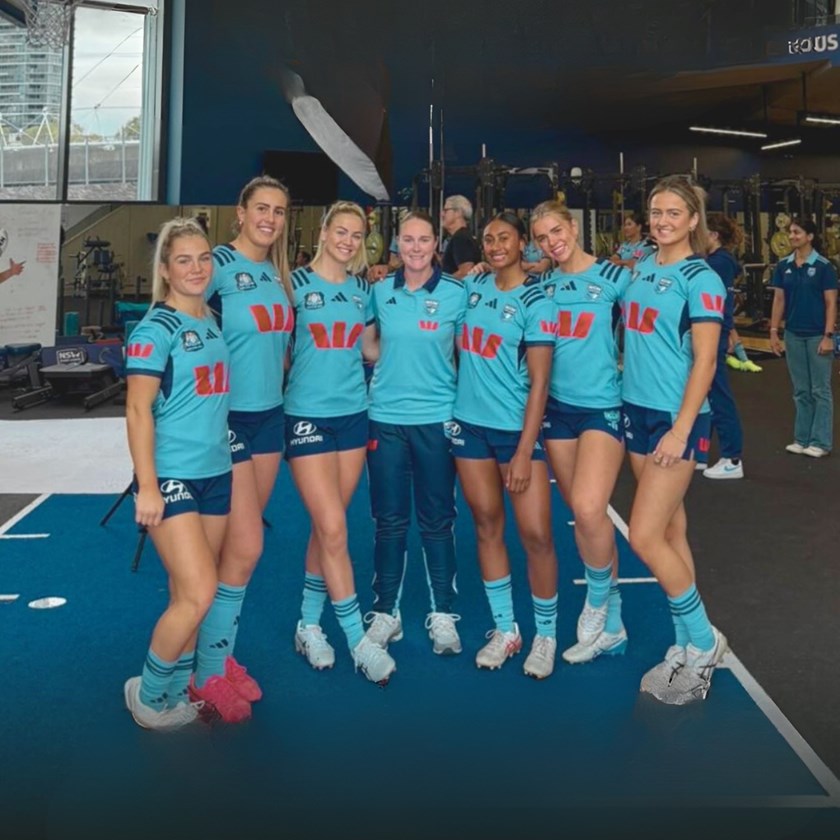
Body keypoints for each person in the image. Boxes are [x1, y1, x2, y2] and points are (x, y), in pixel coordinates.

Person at [190, 175, 294, 723]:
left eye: (278, 211)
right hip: (227, 421)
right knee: (245, 546)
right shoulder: (219, 265)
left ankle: (217, 657)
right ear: (241, 210)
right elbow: (180, 324)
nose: (270, 219)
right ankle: (200, 672)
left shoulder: (278, 276)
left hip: (270, 419)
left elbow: (276, 351)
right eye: (261, 208)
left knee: (238, 552)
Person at [622, 175, 728, 705]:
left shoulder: (700, 279)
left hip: (674, 420)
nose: (661, 221)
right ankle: (687, 641)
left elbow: (706, 361)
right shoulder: (642, 267)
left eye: (672, 213)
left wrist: (681, 429)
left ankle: (706, 642)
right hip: (636, 412)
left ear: (692, 221)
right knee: (669, 529)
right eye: (655, 212)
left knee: (643, 536)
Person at [123, 217, 231, 730]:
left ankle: (171, 689)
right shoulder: (155, 330)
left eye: (203, 258)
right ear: (164, 270)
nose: (196, 268)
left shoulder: (211, 317)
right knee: (197, 593)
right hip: (172, 477)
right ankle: (147, 697)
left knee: (188, 594)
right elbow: (138, 411)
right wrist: (146, 485)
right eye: (184, 260)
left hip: (216, 472)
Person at [285, 200, 396, 685]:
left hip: (353, 416)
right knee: (332, 527)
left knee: (326, 525)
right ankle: (356, 639)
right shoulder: (293, 285)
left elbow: (370, 348)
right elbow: (282, 352)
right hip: (306, 417)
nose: (349, 241)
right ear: (325, 231)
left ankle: (308, 624)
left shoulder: (361, 290)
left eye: (358, 236)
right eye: (342, 232)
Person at [451, 211, 559, 678]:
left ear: (522, 245)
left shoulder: (538, 303)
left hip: (516, 434)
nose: (495, 245)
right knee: (486, 525)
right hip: (469, 428)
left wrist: (523, 450)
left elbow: (540, 384)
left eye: (505, 238)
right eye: (489, 239)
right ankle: (505, 629)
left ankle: (546, 636)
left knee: (536, 535)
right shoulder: (471, 289)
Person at [362, 211, 467, 660]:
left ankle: (443, 613)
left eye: (424, 239)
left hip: (437, 419)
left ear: (435, 243)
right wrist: (390, 363)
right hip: (384, 417)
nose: (416, 247)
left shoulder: (457, 294)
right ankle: (387, 611)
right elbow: (367, 343)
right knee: (389, 520)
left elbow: (468, 355)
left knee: (437, 520)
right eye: (408, 239)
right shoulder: (379, 291)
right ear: (397, 245)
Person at [530, 201, 630, 665]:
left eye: (557, 230)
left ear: (573, 226)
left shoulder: (615, 278)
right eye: (543, 237)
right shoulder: (542, 286)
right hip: (557, 411)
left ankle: (596, 601)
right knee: (580, 512)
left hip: (602, 408)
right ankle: (613, 626)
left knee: (591, 509)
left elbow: (652, 329)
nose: (553, 241)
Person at [769, 217, 839, 458]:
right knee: (800, 390)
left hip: (817, 334)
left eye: (797, 232)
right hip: (794, 334)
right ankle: (802, 438)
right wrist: (774, 331)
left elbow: (831, 303)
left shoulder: (824, 267)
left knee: (820, 390)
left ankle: (820, 442)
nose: (791, 237)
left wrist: (829, 335)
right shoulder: (783, 266)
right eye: (790, 233)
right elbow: (779, 300)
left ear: (809, 236)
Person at [698, 215, 746, 479]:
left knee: (718, 395)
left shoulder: (719, 263)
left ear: (713, 235)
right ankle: (700, 450)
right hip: (711, 332)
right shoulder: (718, 261)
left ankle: (732, 458)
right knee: (702, 394)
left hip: (712, 333)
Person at [441, 195, 481, 279]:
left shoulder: (461, 238)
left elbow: (466, 271)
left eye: (445, 210)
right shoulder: (463, 236)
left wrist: (442, 285)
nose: (442, 214)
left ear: (458, 212)